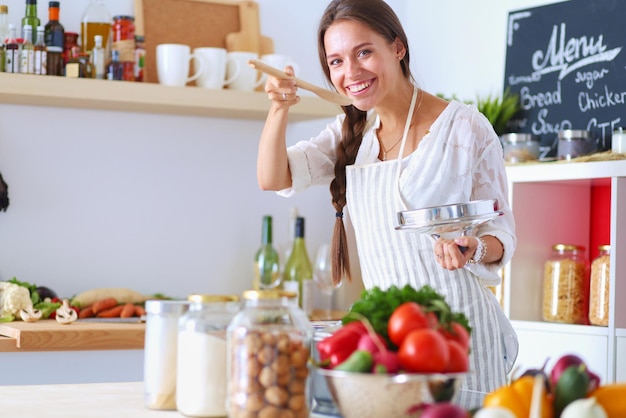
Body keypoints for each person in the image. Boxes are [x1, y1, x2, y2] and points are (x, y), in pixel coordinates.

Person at [257, 0, 518, 402]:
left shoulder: (464, 128)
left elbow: (500, 232)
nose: (351, 73)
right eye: (337, 61)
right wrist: (278, 109)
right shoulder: (351, 132)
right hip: (392, 345)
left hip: (462, 340)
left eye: (364, 52)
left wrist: (474, 248)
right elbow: (273, 177)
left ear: (398, 47)